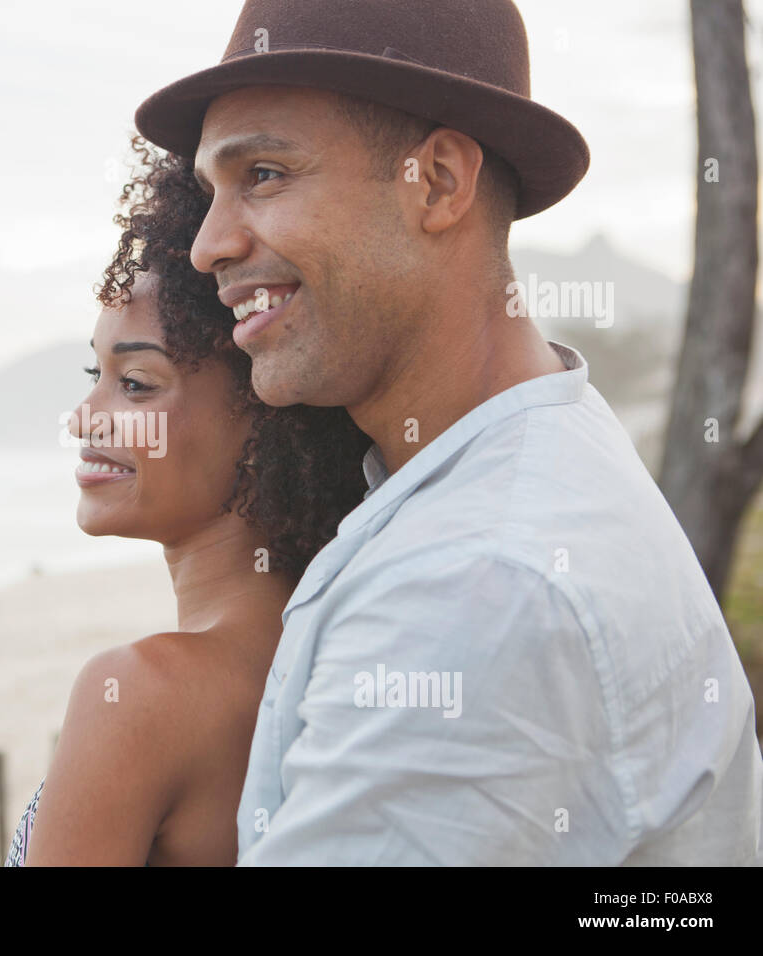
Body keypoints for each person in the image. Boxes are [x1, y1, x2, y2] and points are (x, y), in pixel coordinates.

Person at [128, 0, 763, 865]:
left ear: (437, 183)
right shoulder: (533, 454)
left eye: (265, 174)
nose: (207, 246)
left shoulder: (470, 589)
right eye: (210, 191)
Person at [6, 139, 372, 865]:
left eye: (136, 383)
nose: (85, 417)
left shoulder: (138, 694)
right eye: (95, 373)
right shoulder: (334, 657)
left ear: (267, 413)